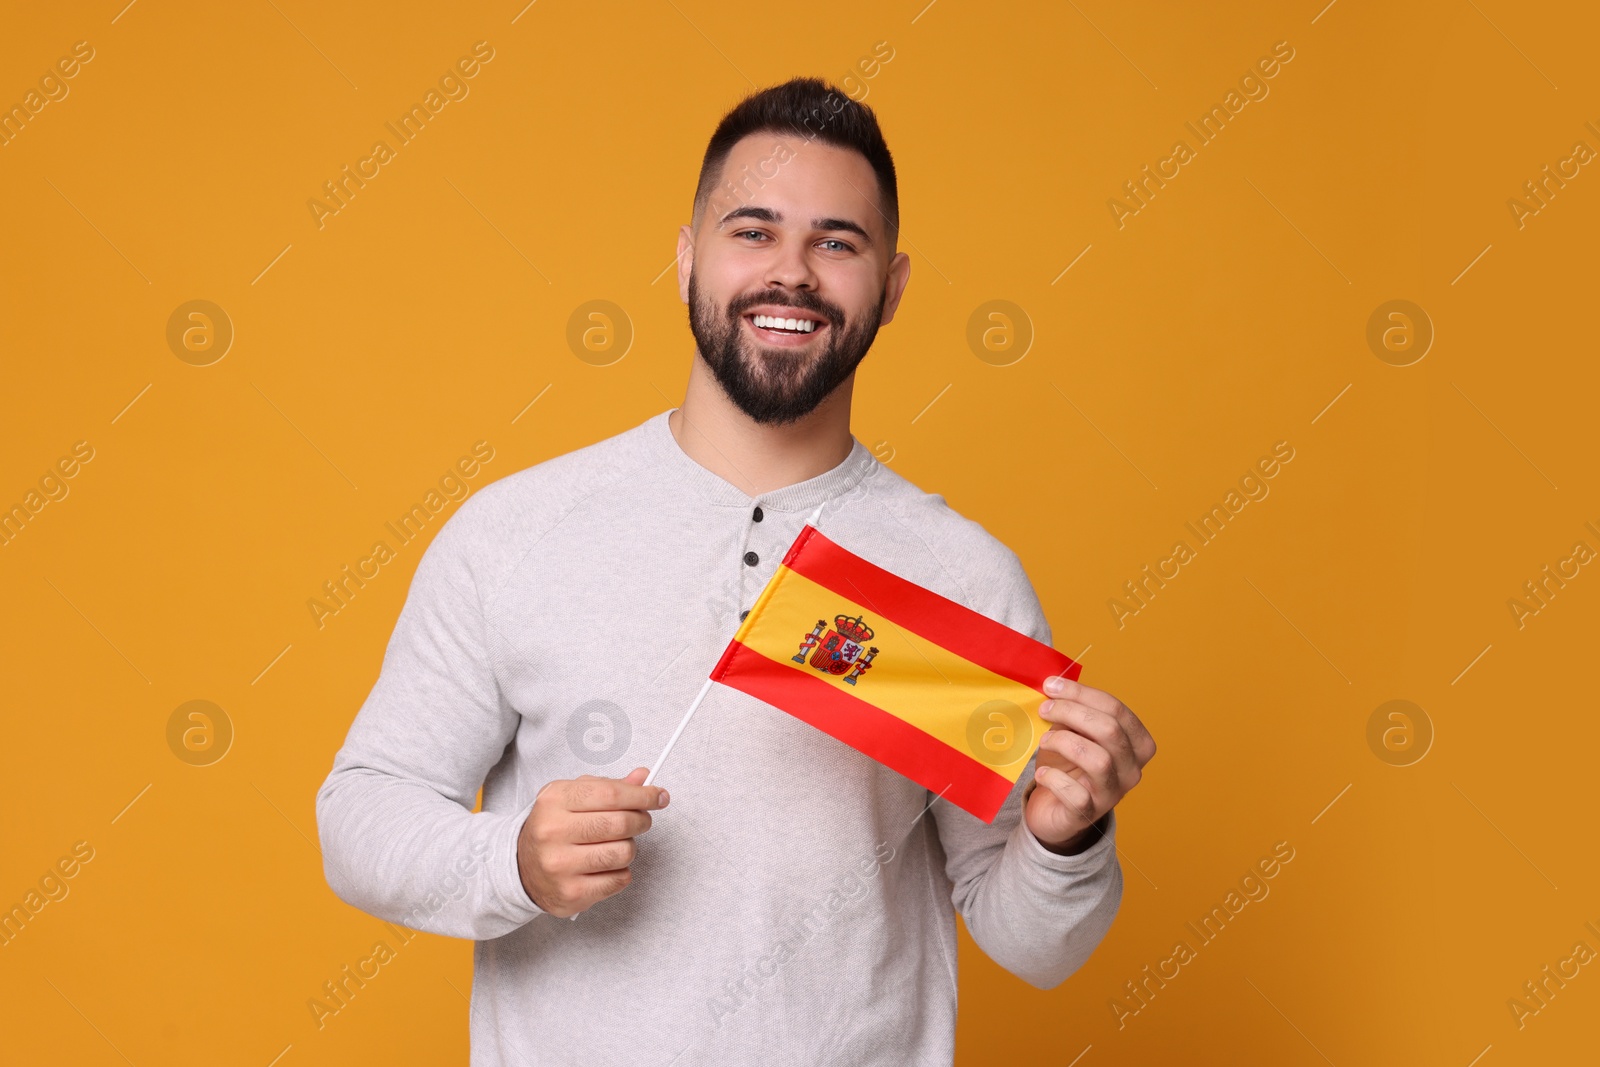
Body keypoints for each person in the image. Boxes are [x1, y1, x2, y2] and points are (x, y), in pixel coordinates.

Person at [315, 75, 1156, 1066]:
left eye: (836, 242)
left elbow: (1035, 944)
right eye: (751, 231)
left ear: (890, 288)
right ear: (684, 260)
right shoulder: (515, 531)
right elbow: (360, 815)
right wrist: (514, 860)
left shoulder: (959, 577)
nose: (791, 273)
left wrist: (1063, 837)